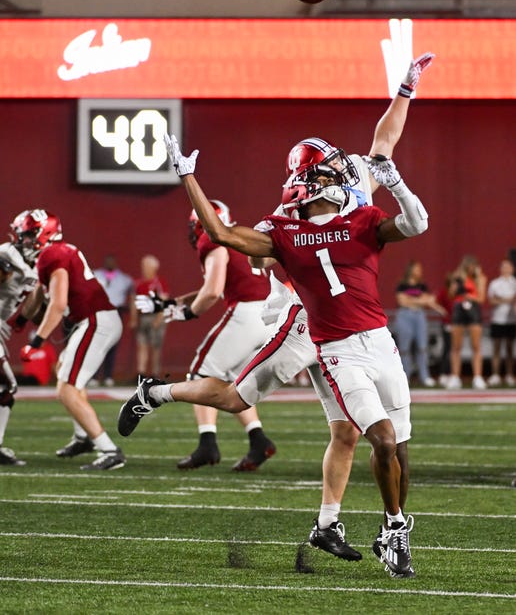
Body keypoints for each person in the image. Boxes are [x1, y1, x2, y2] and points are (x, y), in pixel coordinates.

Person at [123, 53, 434, 573]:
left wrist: (405, 89)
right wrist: (190, 179)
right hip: (306, 318)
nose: (344, 166)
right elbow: (242, 242)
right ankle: (156, 393)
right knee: (239, 395)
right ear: (309, 178)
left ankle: (330, 523)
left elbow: (385, 143)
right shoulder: (289, 219)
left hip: (359, 326)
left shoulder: (354, 185)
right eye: (331, 165)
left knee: (348, 433)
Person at [137, 200, 277, 471]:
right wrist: (169, 304)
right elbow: (216, 285)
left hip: (247, 313)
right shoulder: (238, 235)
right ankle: (258, 439)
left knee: (200, 376)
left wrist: (187, 314)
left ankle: (207, 444)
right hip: (271, 314)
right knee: (233, 381)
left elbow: (212, 291)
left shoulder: (212, 240)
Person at [16, 209, 125, 470]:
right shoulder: (57, 252)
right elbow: (39, 296)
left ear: (45, 234)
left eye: (29, 235)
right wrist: (19, 321)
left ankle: (109, 451)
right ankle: (82, 437)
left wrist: (36, 342)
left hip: (95, 321)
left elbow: (58, 303)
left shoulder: (52, 254)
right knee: (64, 367)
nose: (25, 241)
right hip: (96, 320)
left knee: (65, 389)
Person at [0, 212, 42, 465]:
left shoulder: (39, 263)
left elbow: (32, 300)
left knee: (4, 387)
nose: (25, 240)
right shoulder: (7, 256)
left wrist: (20, 321)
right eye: (24, 234)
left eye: (30, 234)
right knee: (5, 385)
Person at [393, 260, 445, 386]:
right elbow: (402, 301)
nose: (419, 271)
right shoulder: (402, 285)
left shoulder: (422, 285)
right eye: (417, 268)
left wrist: (411, 299)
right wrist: (420, 300)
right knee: (404, 348)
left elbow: (428, 300)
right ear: (410, 270)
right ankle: (406, 376)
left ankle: (424, 376)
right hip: (405, 315)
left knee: (422, 347)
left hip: (419, 315)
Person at [446, 255, 487, 389]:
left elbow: (481, 298)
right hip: (459, 310)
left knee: (476, 346)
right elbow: (451, 295)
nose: (471, 268)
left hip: (473, 311)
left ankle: (477, 377)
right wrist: (457, 282)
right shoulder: (458, 278)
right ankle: (455, 377)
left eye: (473, 266)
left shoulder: (480, 278)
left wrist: (468, 295)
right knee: (456, 346)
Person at [93, 254, 133, 386]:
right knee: (97, 344)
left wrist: (132, 316)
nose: (110, 263)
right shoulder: (96, 275)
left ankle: (108, 375)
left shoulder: (124, 279)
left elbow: (132, 294)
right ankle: (94, 376)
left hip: (117, 312)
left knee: (112, 344)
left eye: (112, 261)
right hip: (100, 311)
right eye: (108, 261)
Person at [129, 254, 170, 378]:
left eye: (146, 266)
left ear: (153, 268)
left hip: (155, 317)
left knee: (155, 346)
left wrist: (159, 319)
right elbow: (133, 301)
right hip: (143, 317)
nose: (144, 268)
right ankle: (140, 373)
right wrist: (134, 318)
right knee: (142, 345)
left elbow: (163, 302)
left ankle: (154, 373)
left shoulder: (159, 283)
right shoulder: (138, 283)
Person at [486, 258, 516, 386]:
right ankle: (495, 374)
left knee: (510, 348)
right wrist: (508, 299)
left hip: (511, 319)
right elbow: (492, 301)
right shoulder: (495, 283)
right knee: (496, 347)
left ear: (512, 268)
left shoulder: (515, 282)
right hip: (498, 319)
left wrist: (502, 299)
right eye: (503, 266)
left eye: (508, 266)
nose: (506, 269)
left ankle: (509, 374)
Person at [435, 273, 455, 386]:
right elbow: (434, 301)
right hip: (447, 324)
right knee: (447, 349)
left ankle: (452, 374)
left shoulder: (457, 294)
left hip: (456, 325)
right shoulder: (444, 292)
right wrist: (442, 311)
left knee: (454, 350)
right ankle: (443, 373)